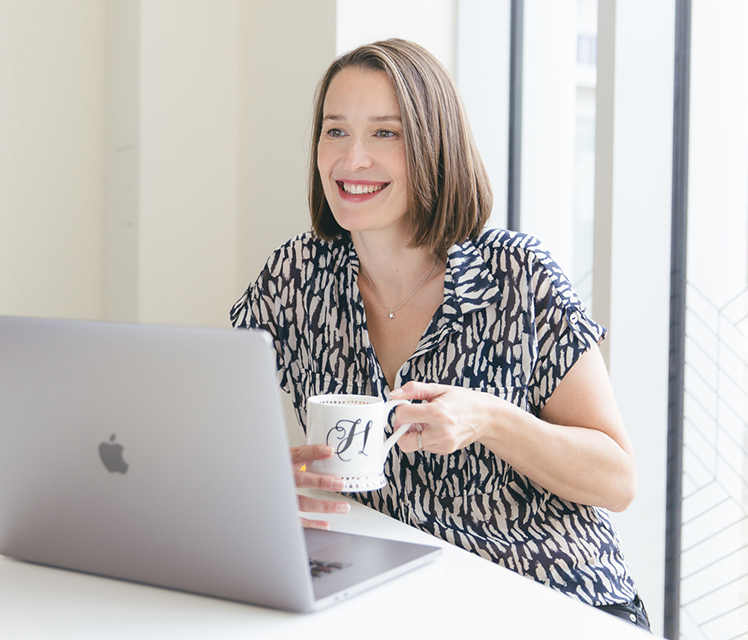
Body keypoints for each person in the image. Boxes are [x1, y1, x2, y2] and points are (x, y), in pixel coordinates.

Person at [230, 39, 650, 630]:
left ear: (432, 145)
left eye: (385, 134)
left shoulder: (516, 275)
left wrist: (490, 421)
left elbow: (618, 480)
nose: (351, 161)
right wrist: (281, 469)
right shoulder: (296, 276)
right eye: (335, 131)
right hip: (396, 600)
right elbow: (220, 432)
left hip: (548, 598)